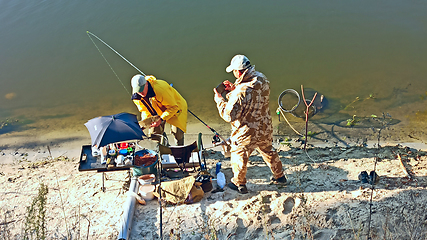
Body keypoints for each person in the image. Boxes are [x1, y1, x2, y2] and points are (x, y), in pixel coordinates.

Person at [213, 54, 286, 194]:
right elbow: (252, 96)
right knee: (268, 151)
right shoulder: (262, 79)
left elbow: (229, 115)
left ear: (238, 72)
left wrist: (219, 99)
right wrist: (234, 88)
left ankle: (239, 183)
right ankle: (280, 177)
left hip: (247, 132)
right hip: (265, 126)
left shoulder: (240, 92)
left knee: (239, 155)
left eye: (234, 71)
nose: (234, 73)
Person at [131, 74, 187, 146]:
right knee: (154, 135)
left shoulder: (160, 90)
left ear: (147, 84)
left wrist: (162, 119)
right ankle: (164, 144)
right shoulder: (136, 97)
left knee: (177, 132)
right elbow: (145, 111)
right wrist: (145, 124)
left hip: (175, 107)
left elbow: (174, 107)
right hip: (157, 110)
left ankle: (179, 147)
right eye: (138, 91)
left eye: (142, 89)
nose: (141, 93)